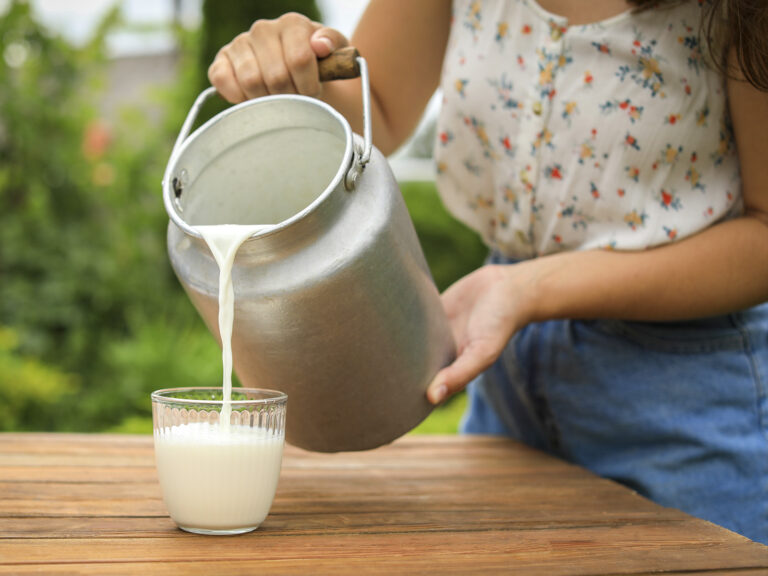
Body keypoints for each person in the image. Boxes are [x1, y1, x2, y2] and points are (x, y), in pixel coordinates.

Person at [208, 0, 768, 543]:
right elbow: (376, 108)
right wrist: (292, 69)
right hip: (506, 371)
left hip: (684, 389)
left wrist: (530, 289)